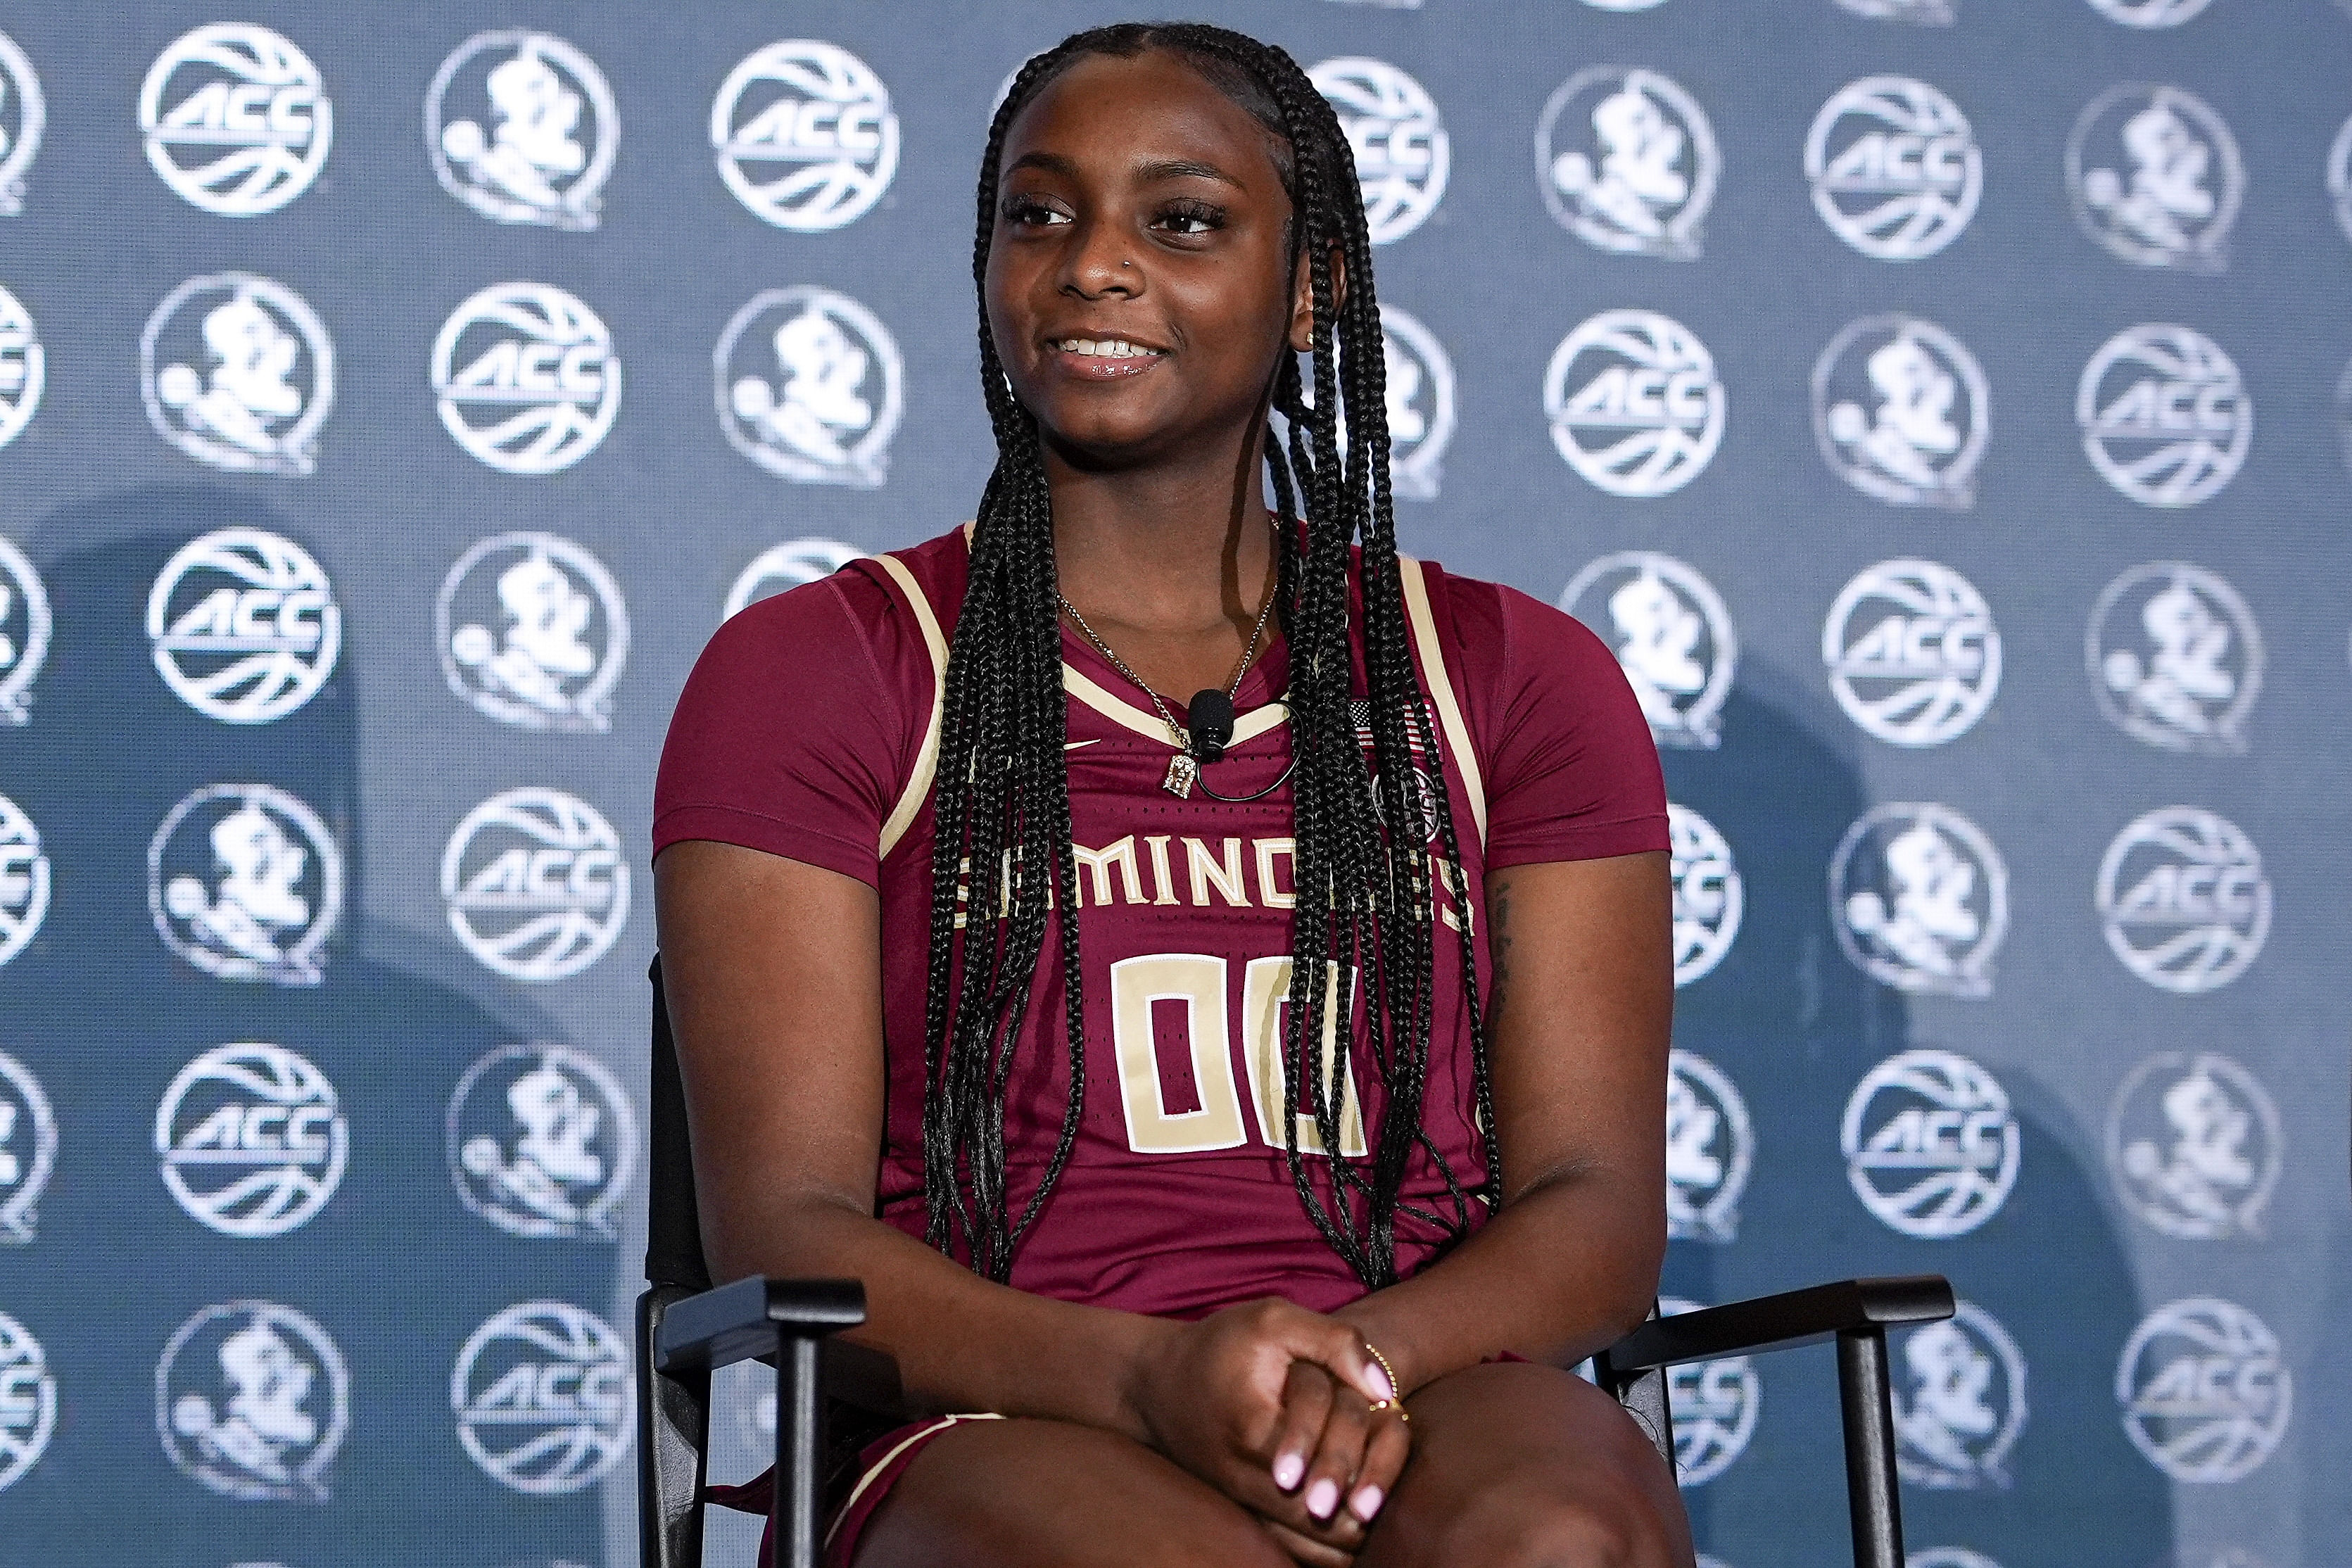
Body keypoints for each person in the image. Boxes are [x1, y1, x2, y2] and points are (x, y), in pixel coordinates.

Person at [655, 23, 1684, 1567]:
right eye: (1039, 214)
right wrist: (1146, 1374)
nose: (1091, 269)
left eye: (1183, 220)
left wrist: (1353, 1370)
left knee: (1553, 1542)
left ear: (1314, 278)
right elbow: (785, 1231)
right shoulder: (826, 667)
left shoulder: (1510, 678)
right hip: (1011, 1412)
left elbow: (1597, 1204)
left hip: (1426, 1380)